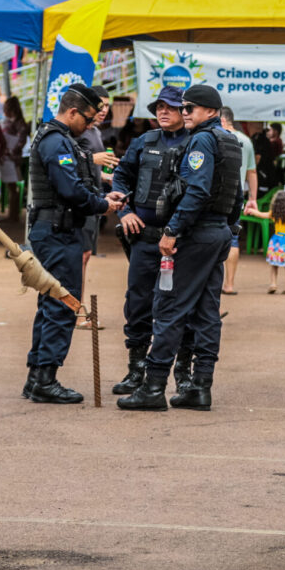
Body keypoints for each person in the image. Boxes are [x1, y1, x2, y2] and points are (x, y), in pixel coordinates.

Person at [118, 85, 243, 411]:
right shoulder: (229, 140)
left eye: (189, 108)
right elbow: (237, 195)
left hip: (196, 234)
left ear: (211, 111)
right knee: (206, 312)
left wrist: (173, 230)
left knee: (169, 307)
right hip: (217, 233)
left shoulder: (202, 140)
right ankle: (199, 388)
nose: (184, 112)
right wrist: (229, 229)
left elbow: (198, 191)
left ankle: (153, 387)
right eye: (182, 107)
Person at [23, 84, 120, 404]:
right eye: (88, 119)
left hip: (56, 230)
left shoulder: (60, 138)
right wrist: (102, 205)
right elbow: (70, 189)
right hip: (57, 232)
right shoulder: (56, 141)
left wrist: (101, 197)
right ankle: (45, 379)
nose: (90, 125)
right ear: (73, 111)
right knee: (62, 303)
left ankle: (37, 377)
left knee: (51, 301)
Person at [107, 86, 189, 396]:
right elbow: (121, 177)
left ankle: (183, 373)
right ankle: (136, 370)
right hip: (144, 239)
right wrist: (125, 210)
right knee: (138, 303)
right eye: (159, 107)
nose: (163, 111)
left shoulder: (198, 143)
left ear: (184, 111)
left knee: (179, 306)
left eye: (170, 107)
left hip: (181, 243)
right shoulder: (143, 142)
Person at [219, 106, 259, 296]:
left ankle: (214, 282)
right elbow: (252, 172)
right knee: (233, 238)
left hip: (216, 196)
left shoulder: (216, 137)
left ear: (222, 120)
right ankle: (229, 284)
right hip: (237, 196)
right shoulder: (246, 141)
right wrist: (253, 198)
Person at [79, 88, 117, 276]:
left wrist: (105, 176)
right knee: (80, 255)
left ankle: (78, 294)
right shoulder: (77, 131)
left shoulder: (96, 132)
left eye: (107, 105)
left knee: (86, 255)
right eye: (100, 105)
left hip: (94, 197)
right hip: (80, 199)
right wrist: (93, 159)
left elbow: (91, 167)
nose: (103, 110)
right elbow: (64, 161)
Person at [243, 191, 285, 294]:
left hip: (277, 242)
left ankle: (273, 284)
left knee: (274, 265)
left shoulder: (275, 214)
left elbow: (261, 215)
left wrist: (251, 210)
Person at [0, 97, 30, 221]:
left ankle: (13, 215)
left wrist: (10, 151)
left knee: (12, 188)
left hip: (11, 158)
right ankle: (12, 214)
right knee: (11, 188)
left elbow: (21, 141)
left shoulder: (19, 123)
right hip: (9, 157)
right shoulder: (16, 122)